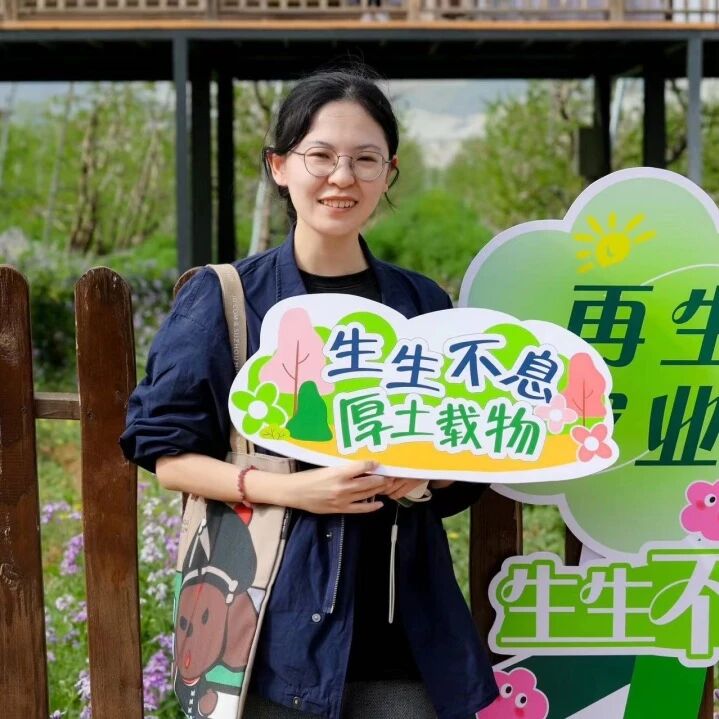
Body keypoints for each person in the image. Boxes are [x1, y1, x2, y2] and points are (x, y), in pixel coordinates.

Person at [120, 65, 498, 719]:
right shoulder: (228, 298)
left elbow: (460, 463)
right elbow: (166, 455)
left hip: (407, 635)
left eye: (365, 159)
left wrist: (424, 477)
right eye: (320, 155)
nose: (342, 177)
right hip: (273, 636)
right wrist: (295, 490)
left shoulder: (420, 303)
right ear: (279, 166)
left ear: (389, 173)